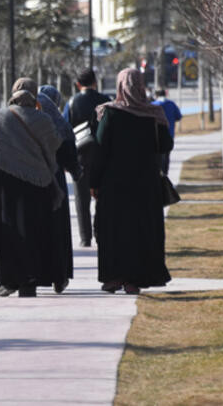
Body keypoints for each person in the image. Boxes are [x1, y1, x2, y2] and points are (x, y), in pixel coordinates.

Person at [0, 78, 62, 298]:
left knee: (6, 233)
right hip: (37, 186)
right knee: (33, 233)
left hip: (5, 188)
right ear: (34, 95)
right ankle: (30, 282)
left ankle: (7, 281)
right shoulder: (43, 120)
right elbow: (55, 145)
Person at [90, 68, 173, 295]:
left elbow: (100, 150)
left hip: (114, 185)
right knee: (141, 230)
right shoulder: (153, 114)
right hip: (145, 184)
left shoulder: (110, 114)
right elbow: (166, 146)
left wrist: (94, 182)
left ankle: (113, 278)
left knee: (113, 231)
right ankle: (135, 279)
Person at [37, 85, 81, 294]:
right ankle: (60, 275)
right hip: (56, 183)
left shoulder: (30, 121)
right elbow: (70, 155)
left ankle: (37, 273)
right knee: (58, 230)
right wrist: (77, 173)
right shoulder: (59, 123)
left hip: (32, 181)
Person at [62, 68, 111, 247]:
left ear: (78, 84)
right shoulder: (105, 101)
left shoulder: (72, 102)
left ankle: (85, 237)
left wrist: (67, 160)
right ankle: (101, 232)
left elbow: (65, 130)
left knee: (82, 200)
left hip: (79, 156)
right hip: (102, 155)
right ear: (95, 82)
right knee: (102, 197)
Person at [150, 88, 182, 175]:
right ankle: (165, 174)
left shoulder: (152, 105)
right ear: (165, 94)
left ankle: (158, 173)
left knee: (157, 156)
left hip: (155, 135)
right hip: (169, 133)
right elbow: (178, 116)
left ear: (156, 95)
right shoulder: (171, 104)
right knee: (167, 155)